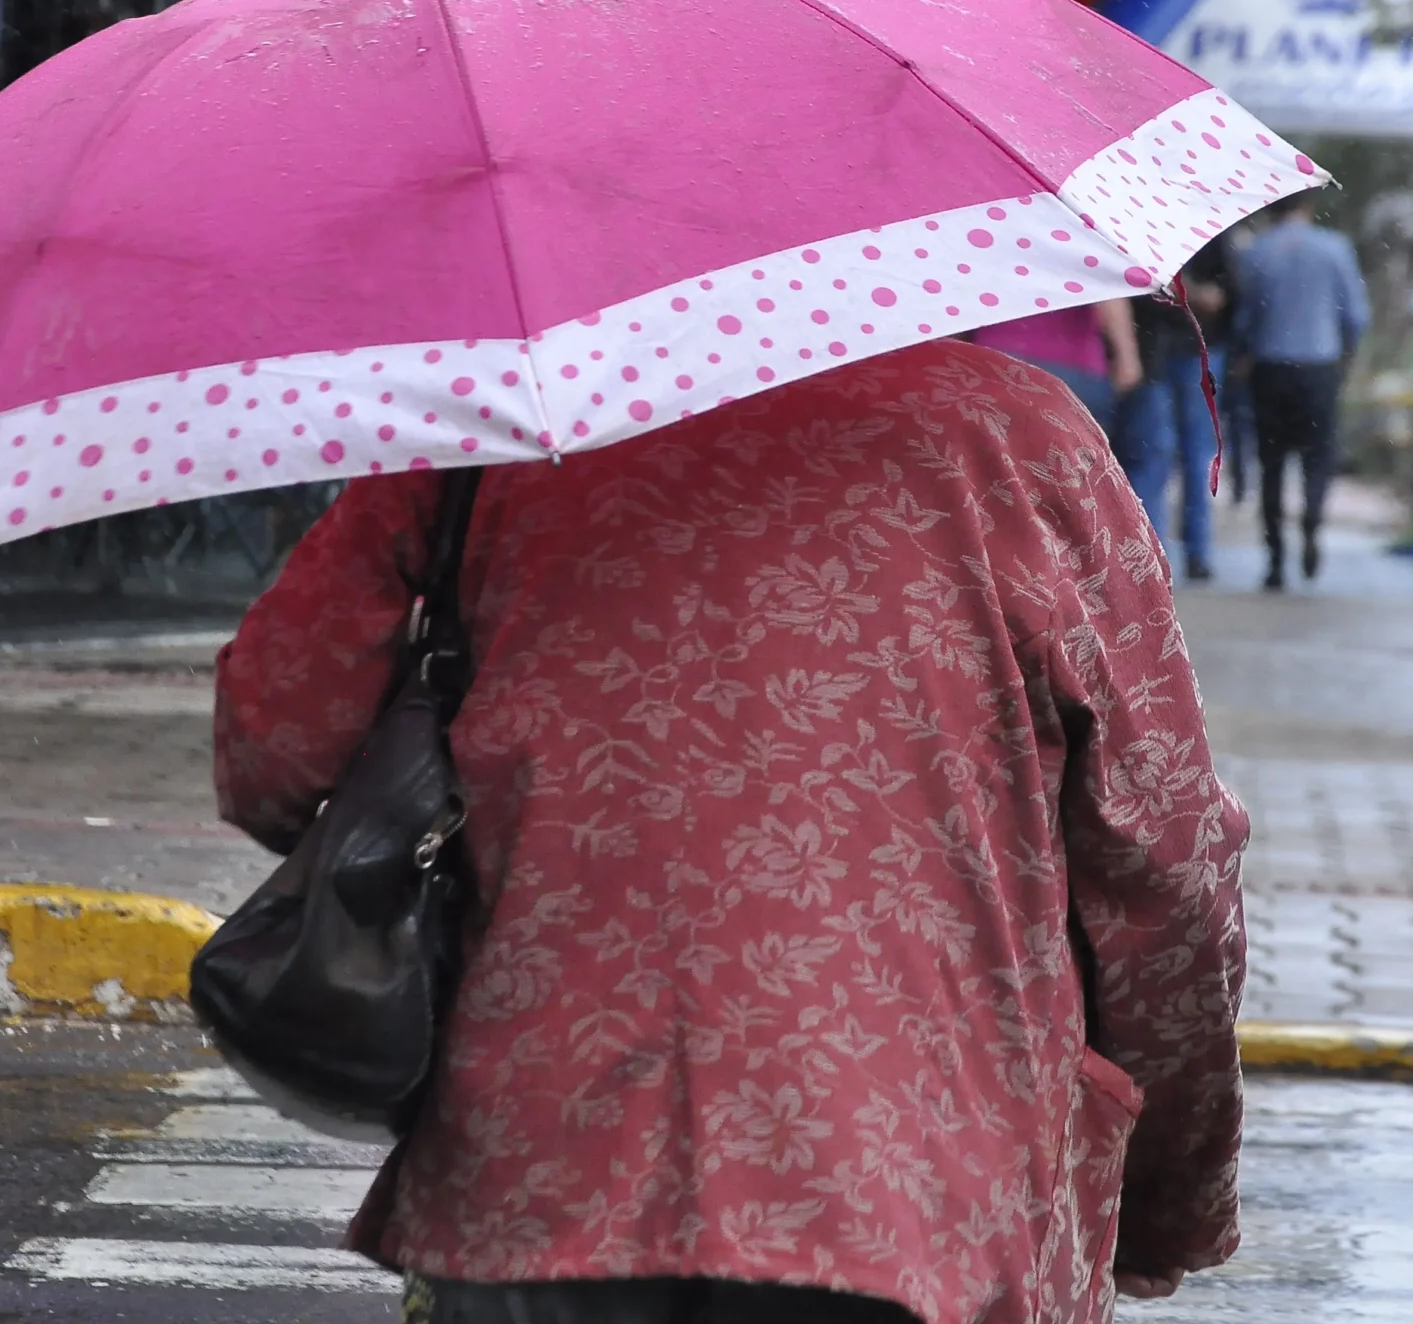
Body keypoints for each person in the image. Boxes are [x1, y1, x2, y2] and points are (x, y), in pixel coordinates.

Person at [215, 339, 1250, 1324]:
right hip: (915, 1191)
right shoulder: (1017, 432)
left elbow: (274, 748)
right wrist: (1169, 1193)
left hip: (540, 1164)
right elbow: (1165, 855)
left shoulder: (487, 422)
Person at [1232, 195, 1371, 592]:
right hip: (1319, 367)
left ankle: (1275, 558)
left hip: (1270, 369)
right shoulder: (1335, 249)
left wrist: (1246, 353)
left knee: (1272, 463)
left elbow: (1246, 319)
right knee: (1318, 456)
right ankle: (1311, 520)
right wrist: (1345, 353)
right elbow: (1357, 316)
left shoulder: (1257, 252)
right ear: (1310, 206)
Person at [1112, 234, 1236, 581]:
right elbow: (1231, 293)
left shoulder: (1136, 228)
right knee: (1185, 454)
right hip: (1189, 350)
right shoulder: (1210, 231)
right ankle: (1186, 553)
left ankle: (1154, 557)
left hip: (1162, 350)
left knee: (1159, 456)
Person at [970, 297, 1143, 423]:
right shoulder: (1083, 247)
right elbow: (1108, 298)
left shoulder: (987, 247)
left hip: (994, 360)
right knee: (1077, 457)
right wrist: (1127, 358)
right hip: (1070, 365)